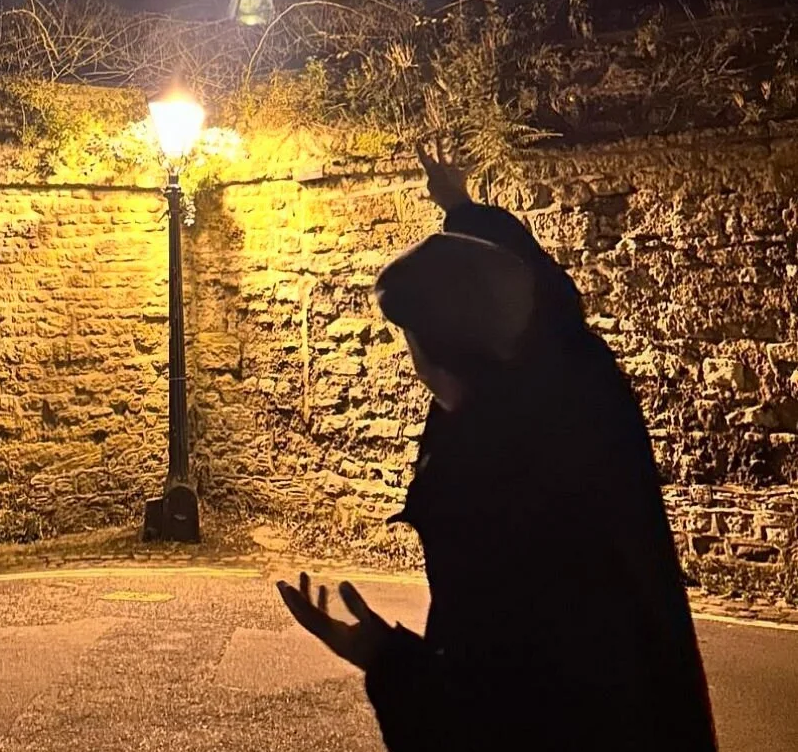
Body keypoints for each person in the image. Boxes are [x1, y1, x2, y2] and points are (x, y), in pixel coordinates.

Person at [277, 144, 718, 751]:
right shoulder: (581, 394)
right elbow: (548, 296)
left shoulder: (489, 484)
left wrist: (385, 658)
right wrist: (462, 209)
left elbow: (491, 704)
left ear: (438, 345)